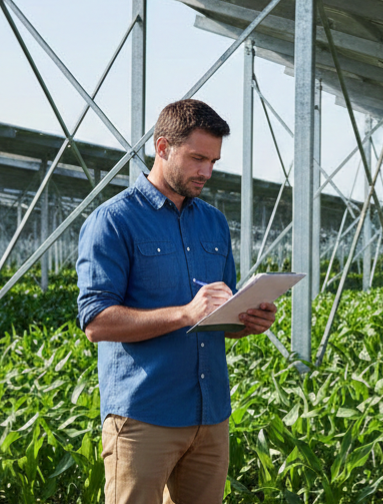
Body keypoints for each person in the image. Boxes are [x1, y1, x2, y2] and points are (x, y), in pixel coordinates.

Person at [75, 99, 278, 504]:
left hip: (210, 415)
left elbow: (218, 314)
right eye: (197, 158)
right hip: (144, 416)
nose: (207, 171)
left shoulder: (214, 222)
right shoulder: (114, 220)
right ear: (163, 147)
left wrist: (246, 320)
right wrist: (185, 313)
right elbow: (96, 322)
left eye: (214, 161)